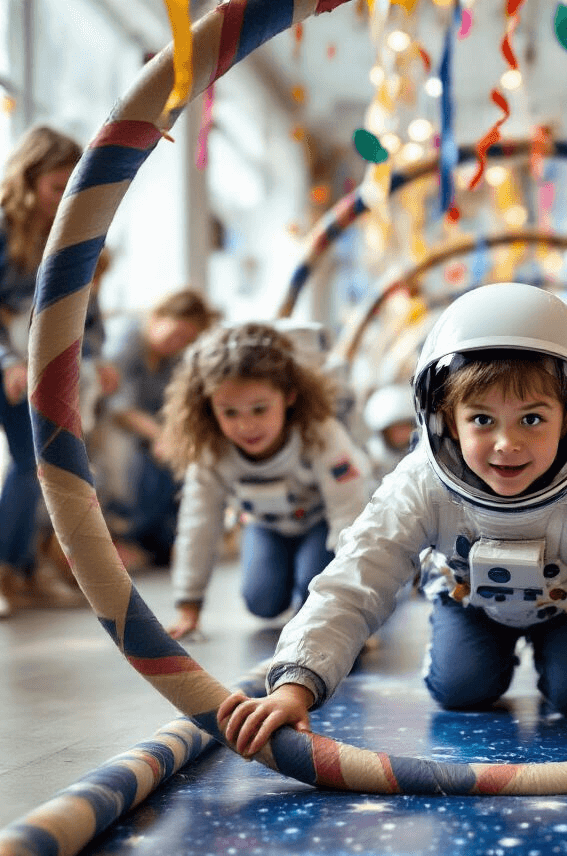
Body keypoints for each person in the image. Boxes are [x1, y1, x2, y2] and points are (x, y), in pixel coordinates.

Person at [216, 283, 567, 778]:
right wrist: (294, 685)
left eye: (532, 419)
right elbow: (359, 572)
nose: (506, 444)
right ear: (443, 422)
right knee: (461, 691)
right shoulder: (421, 480)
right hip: (470, 602)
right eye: (482, 419)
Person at [158, 321, 373, 639]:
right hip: (267, 526)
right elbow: (198, 523)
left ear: (288, 396)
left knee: (316, 594)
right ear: (208, 408)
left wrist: (354, 606)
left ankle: (317, 590)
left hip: (324, 526)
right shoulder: (212, 451)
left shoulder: (320, 433)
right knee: (262, 602)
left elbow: (349, 514)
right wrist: (189, 605)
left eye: (259, 409)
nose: (247, 426)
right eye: (230, 413)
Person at [0, 124, 85, 617]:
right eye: (56, 187)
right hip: (10, 363)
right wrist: (9, 361)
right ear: (28, 179)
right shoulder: (2, 229)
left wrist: (91, 355)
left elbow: (79, 310)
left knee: (36, 464)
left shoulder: (62, 235)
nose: (61, 199)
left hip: (30, 368)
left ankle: (19, 570)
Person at [102, 287, 220, 571]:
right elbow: (119, 409)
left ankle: (159, 543)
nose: (178, 343)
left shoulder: (173, 358)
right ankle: (127, 539)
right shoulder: (127, 340)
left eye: (186, 339)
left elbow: (176, 406)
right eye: (176, 334)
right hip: (115, 429)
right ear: (158, 316)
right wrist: (162, 436)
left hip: (150, 434)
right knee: (142, 464)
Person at [362, 380, 418, 483]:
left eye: (404, 427)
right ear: (382, 435)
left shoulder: (423, 459)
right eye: (395, 430)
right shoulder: (372, 469)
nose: (401, 434)